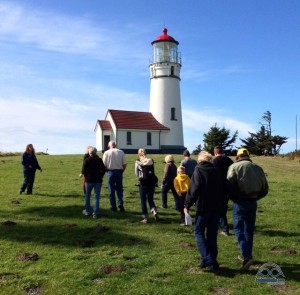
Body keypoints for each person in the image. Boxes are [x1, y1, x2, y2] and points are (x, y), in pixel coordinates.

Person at [184, 151, 227, 272]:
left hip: (204, 207)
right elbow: (225, 187)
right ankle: (212, 261)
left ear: (200, 160)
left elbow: (194, 189)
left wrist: (187, 204)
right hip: (216, 207)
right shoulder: (217, 171)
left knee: (198, 232)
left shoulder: (198, 170)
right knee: (212, 235)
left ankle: (207, 258)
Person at [227, 148, 269, 270]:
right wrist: (255, 197)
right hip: (252, 201)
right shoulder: (258, 168)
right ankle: (248, 255)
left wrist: (232, 197)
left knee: (238, 228)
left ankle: (246, 256)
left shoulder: (235, 166)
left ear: (238, 156)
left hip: (240, 201)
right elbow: (265, 189)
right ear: (248, 156)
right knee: (249, 230)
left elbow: (229, 185)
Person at [213, 146, 234, 236]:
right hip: (228, 187)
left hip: (218, 187)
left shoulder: (215, 161)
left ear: (215, 153)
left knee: (218, 209)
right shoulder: (229, 160)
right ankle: (221, 226)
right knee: (222, 208)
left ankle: (224, 229)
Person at [135, 148, 159, 223]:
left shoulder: (138, 162)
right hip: (152, 182)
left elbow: (136, 173)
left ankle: (145, 218)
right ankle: (154, 211)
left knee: (143, 200)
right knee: (150, 199)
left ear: (139, 154)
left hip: (143, 182)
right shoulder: (151, 160)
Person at [103, 141, 127, 212]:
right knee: (119, 189)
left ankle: (113, 207)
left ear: (109, 145)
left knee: (111, 190)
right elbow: (125, 164)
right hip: (119, 171)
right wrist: (122, 171)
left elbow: (103, 164)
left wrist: (106, 170)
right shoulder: (121, 152)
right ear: (115, 145)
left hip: (111, 172)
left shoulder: (106, 152)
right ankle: (120, 203)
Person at [82, 147, 106, 219]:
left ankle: (87, 211)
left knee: (87, 196)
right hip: (98, 181)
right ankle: (95, 213)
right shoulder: (99, 160)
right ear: (96, 153)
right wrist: (101, 176)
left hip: (89, 181)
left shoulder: (86, 160)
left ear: (89, 153)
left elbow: (84, 171)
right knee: (96, 197)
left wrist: (86, 177)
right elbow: (103, 169)